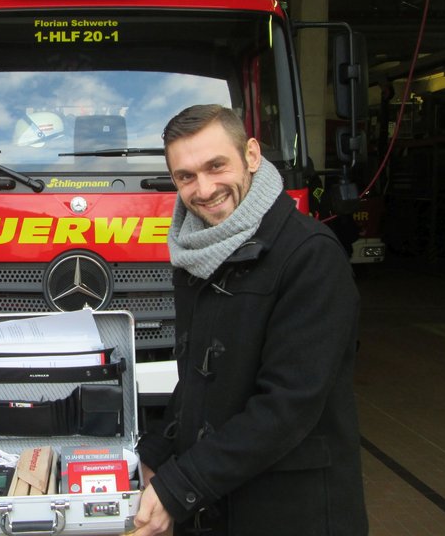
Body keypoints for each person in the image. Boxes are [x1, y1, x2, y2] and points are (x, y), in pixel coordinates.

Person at [133, 105, 366, 536]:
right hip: (218, 507)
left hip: (292, 513)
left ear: (252, 155)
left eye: (216, 166)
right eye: (186, 176)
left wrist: (180, 486)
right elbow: (199, 380)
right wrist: (154, 455)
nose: (204, 189)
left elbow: (288, 405)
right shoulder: (196, 252)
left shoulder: (311, 255)